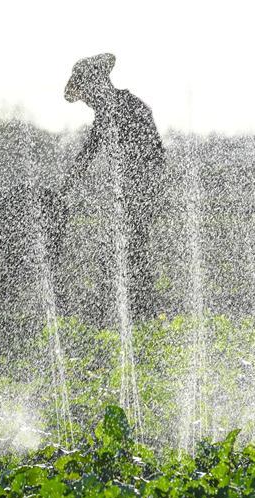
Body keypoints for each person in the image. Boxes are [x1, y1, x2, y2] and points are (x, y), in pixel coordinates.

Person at [59, 53, 167, 320]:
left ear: (98, 85)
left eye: (86, 95)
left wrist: (142, 190)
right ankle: (127, 311)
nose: (86, 102)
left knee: (129, 250)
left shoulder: (128, 108)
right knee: (123, 251)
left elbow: (153, 157)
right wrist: (63, 191)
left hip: (141, 191)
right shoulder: (110, 111)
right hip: (133, 192)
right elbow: (88, 153)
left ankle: (136, 312)